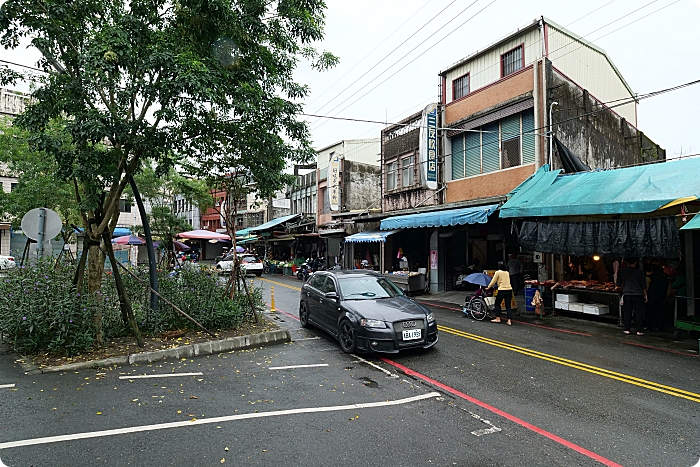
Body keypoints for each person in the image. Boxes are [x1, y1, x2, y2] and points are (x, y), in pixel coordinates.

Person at [618, 259, 647, 336]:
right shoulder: (640, 272)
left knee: (627, 312)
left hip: (627, 294)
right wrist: (645, 295)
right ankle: (639, 330)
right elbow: (643, 285)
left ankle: (627, 329)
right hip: (638, 294)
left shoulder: (622, 271)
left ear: (627, 262)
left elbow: (618, 283)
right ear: (635, 262)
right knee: (639, 312)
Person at [487, 261, 513, 326]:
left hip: (502, 290)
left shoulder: (498, 272)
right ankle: (509, 320)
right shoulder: (507, 272)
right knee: (508, 306)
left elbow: (493, 281)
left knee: (497, 304)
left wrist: (488, 287)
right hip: (509, 289)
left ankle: (498, 318)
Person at [645, 264, 668, 332]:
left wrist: (645, 296)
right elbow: (668, 288)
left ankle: (649, 326)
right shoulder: (665, 278)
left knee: (649, 313)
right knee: (660, 313)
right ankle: (660, 327)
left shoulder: (649, 278)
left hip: (651, 297)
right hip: (661, 297)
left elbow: (646, 287)